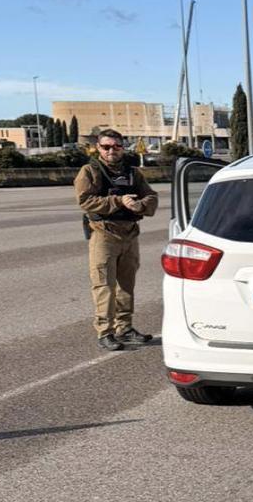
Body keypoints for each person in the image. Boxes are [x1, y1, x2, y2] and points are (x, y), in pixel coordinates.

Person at [74, 129, 160, 351]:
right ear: (98, 148)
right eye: (106, 146)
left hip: (129, 234)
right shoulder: (90, 171)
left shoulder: (133, 173)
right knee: (104, 285)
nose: (111, 150)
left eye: (116, 146)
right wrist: (119, 201)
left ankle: (125, 328)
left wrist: (141, 205)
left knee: (126, 285)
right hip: (104, 234)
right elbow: (86, 201)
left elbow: (151, 196)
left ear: (123, 148)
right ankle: (105, 331)